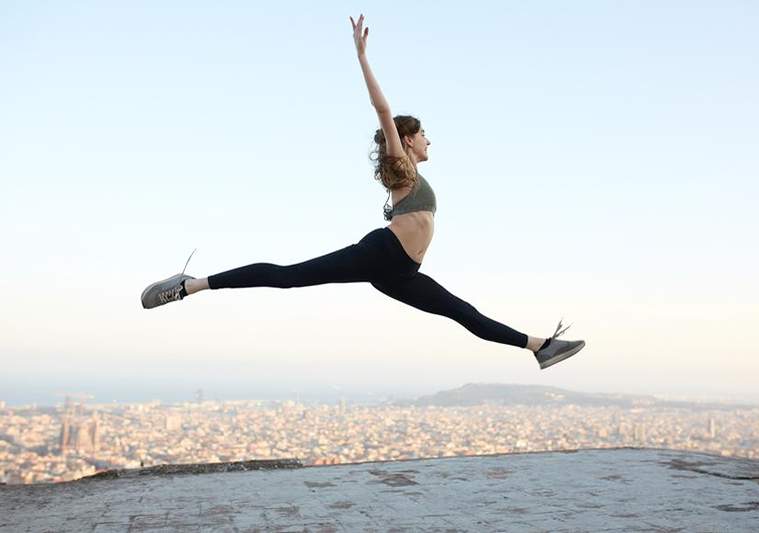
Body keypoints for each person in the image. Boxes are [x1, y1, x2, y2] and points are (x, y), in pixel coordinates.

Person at [140, 14, 585, 370]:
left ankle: (541, 347)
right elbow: (383, 108)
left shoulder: (410, 173)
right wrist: (361, 56)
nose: (430, 140)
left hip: (400, 272)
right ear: (407, 140)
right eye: (425, 134)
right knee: (288, 275)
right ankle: (190, 286)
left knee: (461, 312)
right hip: (382, 253)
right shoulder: (403, 167)